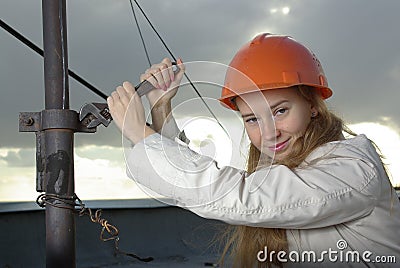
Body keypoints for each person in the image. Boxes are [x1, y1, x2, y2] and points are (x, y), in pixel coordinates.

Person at [107, 33, 400, 267]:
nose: (269, 132)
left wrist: (139, 133)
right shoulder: (278, 171)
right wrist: (161, 108)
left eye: (281, 111)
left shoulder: (353, 168)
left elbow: (240, 196)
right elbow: (200, 184)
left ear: (312, 106)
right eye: (252, 119)